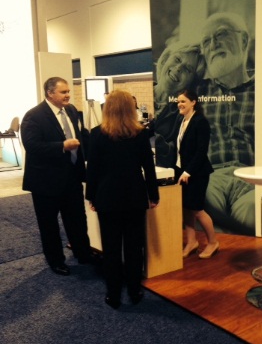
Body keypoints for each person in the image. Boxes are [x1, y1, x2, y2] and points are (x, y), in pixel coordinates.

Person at [85, 90, 159, 309]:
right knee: (134, 247)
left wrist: (91, 196)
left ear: (107, 108)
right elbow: (149, 168)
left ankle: (113, 294)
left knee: (111, 248)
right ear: (130, 109)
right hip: (135, 197)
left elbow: (93, 171)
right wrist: (153, 195)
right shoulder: (140, 134)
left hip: (107, 198)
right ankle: (135, 290)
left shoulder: (97, 134)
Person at [21, 76, 97, 276]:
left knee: (77, 219)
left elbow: (83, 136)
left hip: (71, 177)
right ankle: (55, 260)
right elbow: (32, 146)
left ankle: (83, 253)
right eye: (63, 92)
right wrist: (62, 146)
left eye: (68, 91)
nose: (68, 95)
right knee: (49, 224)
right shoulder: (34, 116)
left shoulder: (71, 111)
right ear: (50, 93)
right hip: (46, 181)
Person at [196, 12, 255, 235]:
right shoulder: (197, 92)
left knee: (253, 208)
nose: (213, 44)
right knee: (202, 202)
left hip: (251, 177)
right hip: (212, 178)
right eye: (206, 41)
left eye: (221, 34)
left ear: (243, 40)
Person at [171, 89, 219, 259]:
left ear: (193, 102)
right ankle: (192, 242)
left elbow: (201, 151)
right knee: (186, 208)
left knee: (197, 210)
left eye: (183, 101)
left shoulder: (200, 122)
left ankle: (213, 242)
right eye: (178, 101)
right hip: (181, 171)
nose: (179, 104)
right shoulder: (182, 120)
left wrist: (188, 171)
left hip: (197, 173)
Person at [153, 42, 203, 167]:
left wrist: (149, 136)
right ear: (165, 59)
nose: (179, 68)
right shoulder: (136, 99)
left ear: (192, 80)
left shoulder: (184, 114)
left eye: (188, 69)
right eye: (177, 59)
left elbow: (173, 157)